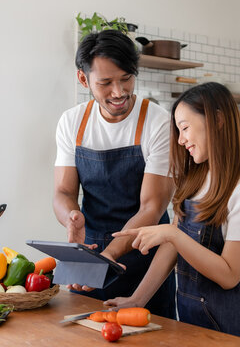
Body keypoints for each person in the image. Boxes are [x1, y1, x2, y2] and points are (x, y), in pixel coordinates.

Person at [104, 82, 240, 344]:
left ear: (217, 120)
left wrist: (173, 234)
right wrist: (137, 299)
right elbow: (174, 248)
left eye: (184, 128)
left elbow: (229, 275)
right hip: (194, 326)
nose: (181, 140)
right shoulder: (195, 180)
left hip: (235, 331)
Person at [52, 29, 176, 319]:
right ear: (83, 79)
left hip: (146, 261)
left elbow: (152, 207)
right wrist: (71, 216)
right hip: (91, 253)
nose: (119, 92)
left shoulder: (157, 123)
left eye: (126, 79)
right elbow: (63, 192)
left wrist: (110, 255)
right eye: (105, 83)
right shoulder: (73, 122)